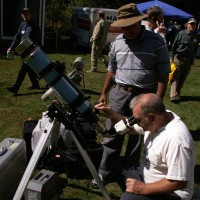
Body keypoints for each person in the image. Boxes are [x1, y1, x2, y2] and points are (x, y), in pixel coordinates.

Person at [89, 3, 170, 188]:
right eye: (124, 26)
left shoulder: (157, 42)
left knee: (137, 137)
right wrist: (104, 93)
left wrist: (157, 101)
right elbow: (111, 70)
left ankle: (130, 172)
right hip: (119, 93)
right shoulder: (117, 42)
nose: (128, 30)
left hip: (144, 96)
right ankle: (104, 172)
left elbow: (164, 74)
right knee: (113, 134)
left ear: (139, 22)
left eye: (132, 25)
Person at [94, 93, 195, 200]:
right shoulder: (160, 118)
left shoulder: (177, 139)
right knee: (119, 171)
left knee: (127, 198)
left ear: (151, 117)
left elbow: (179, 182)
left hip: (174, 193)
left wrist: (143, 189)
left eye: (138, 120)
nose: (135, 123)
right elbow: (131, 129)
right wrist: (111, 113)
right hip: (149, 178)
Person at [7, 8, 40, 96]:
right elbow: (17, 37)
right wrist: (11, 47)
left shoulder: (34, 25)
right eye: (23, 14)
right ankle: (35, 84)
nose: (25, 15)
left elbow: (38, 40)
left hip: (31, 52)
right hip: (23, 51)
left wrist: (36, 50)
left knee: (23, 69)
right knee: (29, 69)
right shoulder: (22, 25)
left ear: (30, 14)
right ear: (22, 15)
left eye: (27, 14)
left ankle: (15, 88)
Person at [170, 17, 200, 102]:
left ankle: (177, 93)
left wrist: (192, 59)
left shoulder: (196, 36)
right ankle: (173, 96)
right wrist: (171, 58)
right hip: (178, 58)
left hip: (188, 60)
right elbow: (174, 46)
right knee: (175, 76)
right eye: (191, 24)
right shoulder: (181, 33)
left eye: (194, 24)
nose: (192, 25)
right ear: (187, 25)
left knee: (182, 78)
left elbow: (195, 48)